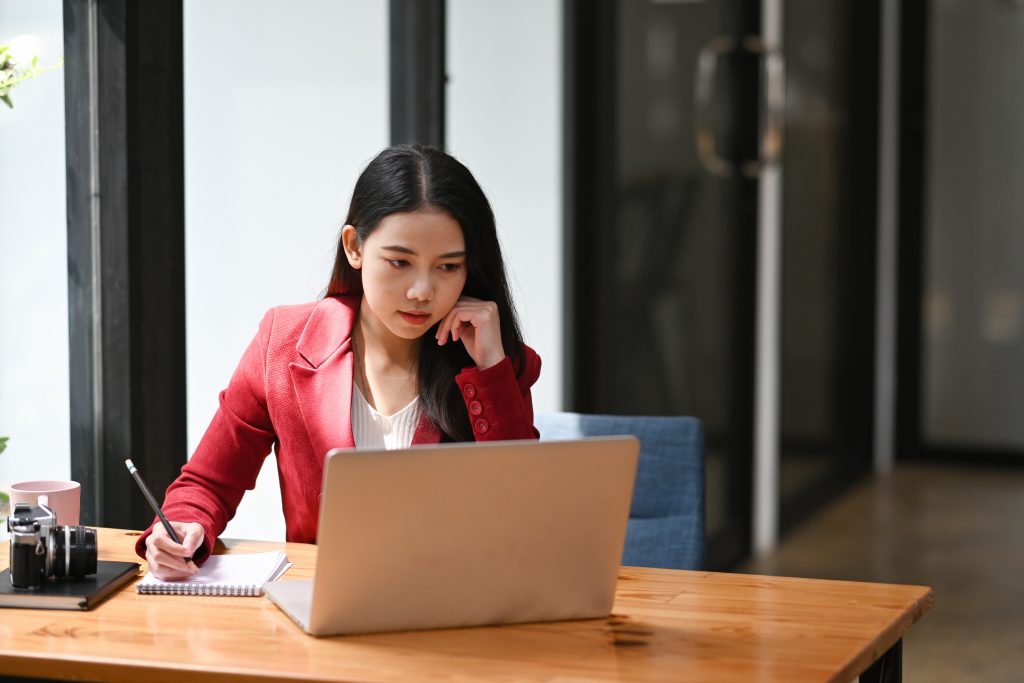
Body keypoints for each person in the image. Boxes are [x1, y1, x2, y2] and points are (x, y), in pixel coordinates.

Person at [136, 144, 542, 579]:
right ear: (355, 247)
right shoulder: (284, 344)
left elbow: (523, 519)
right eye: (400, 262)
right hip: (322, 605)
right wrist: (183, 527)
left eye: (448, 267)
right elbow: (208, 483)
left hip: (451, 608)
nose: (422, 291)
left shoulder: (494, 366)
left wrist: (491, 370)